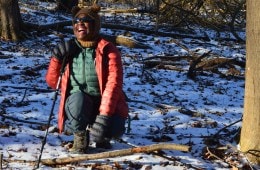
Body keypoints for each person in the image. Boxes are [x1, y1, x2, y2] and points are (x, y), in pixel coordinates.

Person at [45, 4, 128, 154]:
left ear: (95, 25)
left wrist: (104, 118)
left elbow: (113, 85)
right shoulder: (69, 49)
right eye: (76, 20)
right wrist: (56, 59)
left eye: (85, 20)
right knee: (78, 99)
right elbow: (53, 83)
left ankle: (103, 138)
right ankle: (80, 137)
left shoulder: (108, 50)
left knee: (114, 127)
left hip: (102, 104)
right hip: (79, 107)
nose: (79, 23)